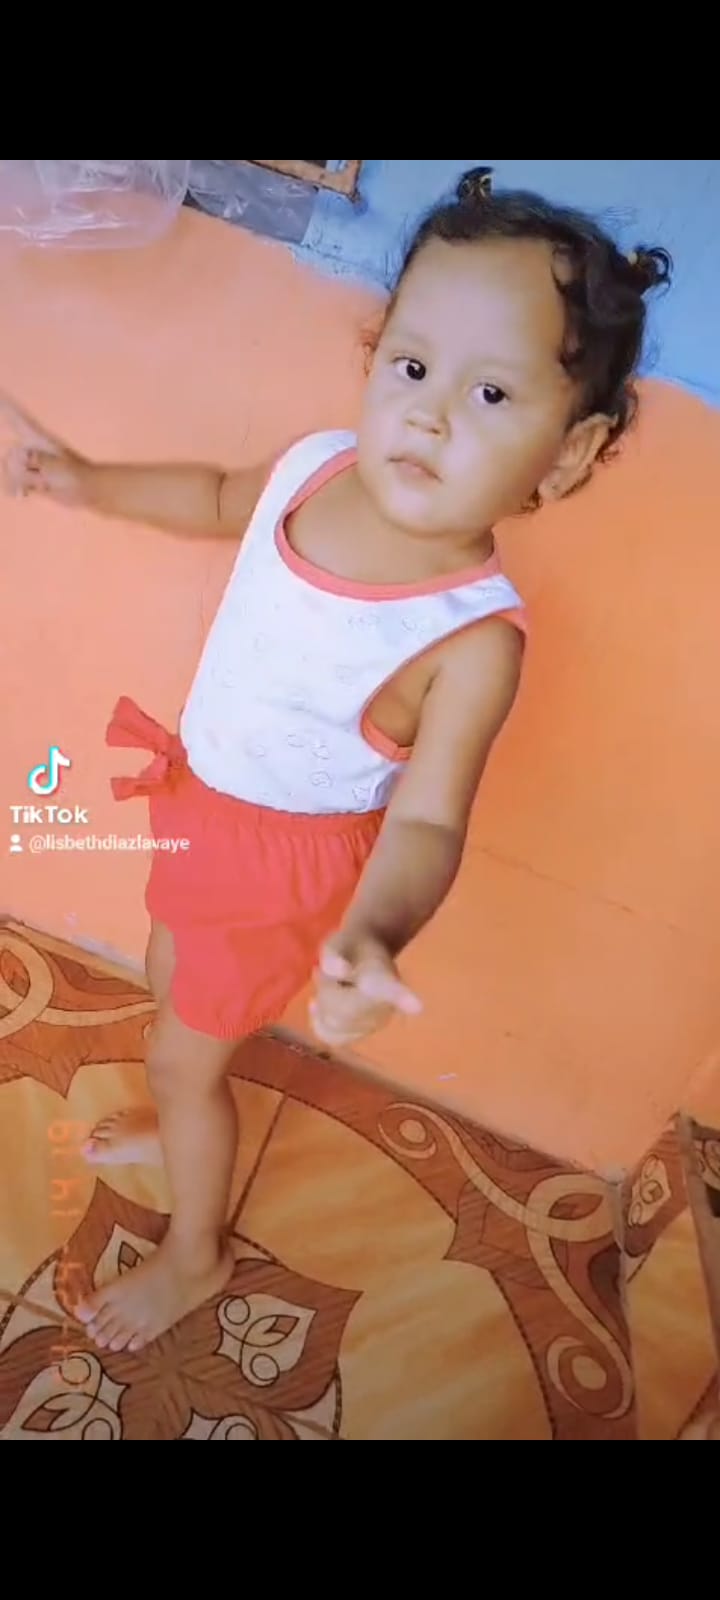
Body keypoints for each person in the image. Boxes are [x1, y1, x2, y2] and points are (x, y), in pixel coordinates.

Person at [2, 166, 670, 1354]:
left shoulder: (467, 639)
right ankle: (183, 1106)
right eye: (411, 367)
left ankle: (196, 1249)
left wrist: (374, 934)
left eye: (491, 391)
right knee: (171, 977)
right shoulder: (318, 466)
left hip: (281, 868)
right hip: (200, 797)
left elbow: (427, 823)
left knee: (187, 1045)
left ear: (568, 455)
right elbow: (219, 496)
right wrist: (83, 480)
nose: (429, 414)